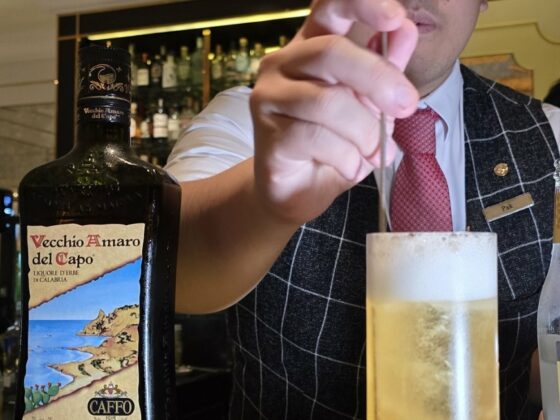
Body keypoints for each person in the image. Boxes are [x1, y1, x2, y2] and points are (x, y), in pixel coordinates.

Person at [165, 0, 560, 418]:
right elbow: (167, 268)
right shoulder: (250, 122)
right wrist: (265, 200)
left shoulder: (549, 134)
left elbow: (538, 359)